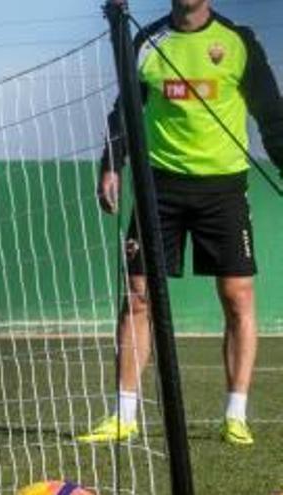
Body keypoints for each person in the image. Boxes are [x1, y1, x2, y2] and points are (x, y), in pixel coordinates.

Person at [78, 0, 283, 446]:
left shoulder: (237, 41)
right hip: (159, 189)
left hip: (224, 192)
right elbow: (124, 111)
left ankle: (236, 414)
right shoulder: (146, 39)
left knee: (237, 296)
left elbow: (273, 115)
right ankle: (124, 415)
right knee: (138, 299)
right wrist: (112, 164)